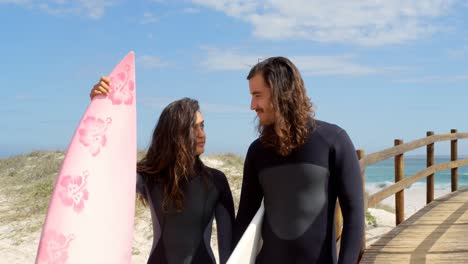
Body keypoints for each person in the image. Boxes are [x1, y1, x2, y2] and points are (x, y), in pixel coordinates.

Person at [233, 57, 364, 263]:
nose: (252, 105)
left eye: (257, 95)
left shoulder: (333, 141)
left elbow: (354, 214)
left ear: (280, 93)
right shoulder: (257, 151)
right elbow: (245, 218)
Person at [90, 77, 235, 264]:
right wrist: (98, 107)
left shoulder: (216, 181)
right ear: (176, 134)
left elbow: (228, 247)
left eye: (203, 126)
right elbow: (106, 168)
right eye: (194, 128)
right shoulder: (149, 177)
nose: (202, 134)